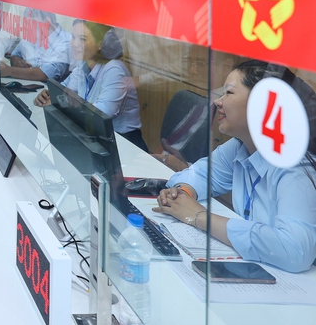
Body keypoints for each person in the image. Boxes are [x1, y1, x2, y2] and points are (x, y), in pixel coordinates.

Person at [154, 60, 316, 273]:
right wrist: (182, 194)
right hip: (258, 268)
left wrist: (199, 216)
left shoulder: (296, 167)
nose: (218, 101)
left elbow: (295, 251)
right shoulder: (241, 146)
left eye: (229, 93)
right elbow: (203, 174)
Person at [35, 19, 147, 151]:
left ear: (100, 44)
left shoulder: (114, 69)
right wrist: (48, 95)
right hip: (97, 137)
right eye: (73, 37)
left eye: (82, 39)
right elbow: (63, 91)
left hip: (124, 144)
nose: (74, 44)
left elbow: (99, 116)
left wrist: (57, 103)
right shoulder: (83, 65)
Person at [0, 9, 72, 82]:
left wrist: (10, 71)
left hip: (48, 91)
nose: (28, 29)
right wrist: (19, 64)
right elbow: (15, 55)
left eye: (31, 26)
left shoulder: (66, 41)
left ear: (46, 22)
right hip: (27, 83)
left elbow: (47, 73)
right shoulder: (34, 34)